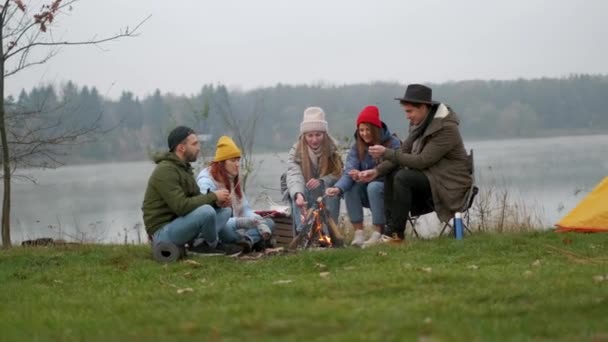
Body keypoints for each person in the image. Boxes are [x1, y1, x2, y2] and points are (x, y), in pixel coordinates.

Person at [360, 84, 472, 240]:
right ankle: (390, 229)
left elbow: (422, 161)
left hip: (449, 183)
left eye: (409, 111)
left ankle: (396, 234)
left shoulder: (446, 128)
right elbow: (403, 153)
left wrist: (386, 152)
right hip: (431, 178)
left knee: (403, 177)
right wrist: (377, 171)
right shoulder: (418, 125)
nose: (407, 116)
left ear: (424, 107)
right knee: (393, 173)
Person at [142, 126, 242, 256]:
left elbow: (197, 200)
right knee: (207, 211)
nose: (198, 147)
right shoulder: (165, 170)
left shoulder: (184, 169)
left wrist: (217, 203)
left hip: (179, 224)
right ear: (181, 148)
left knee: (225, 211)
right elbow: (181, 206)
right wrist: (213, 196)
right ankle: (209, 245)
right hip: (162, 233)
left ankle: (202, 244)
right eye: (194, 144)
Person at [325, 105, 400, 247]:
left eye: (368, 129)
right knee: (351, 187)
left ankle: (378, 232)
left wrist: (371, 173)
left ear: (375, 129)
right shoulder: (357, 147)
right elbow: (349, 171)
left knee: (373, 186)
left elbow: (395, 166)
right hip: (366, 192)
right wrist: (338, 188)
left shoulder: (392, 142)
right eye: (361, 130)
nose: (364, 133)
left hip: (388, 191)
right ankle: (359, 232)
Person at [197, 136, 275, 253]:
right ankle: (252, 241)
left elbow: (245, 210)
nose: (237, 164)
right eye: (233, 161)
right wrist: (241, 222)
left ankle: (246, 241)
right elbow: (209, 218)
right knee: (224, 229)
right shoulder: (206, 181)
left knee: (269, 222)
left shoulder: (233, 179)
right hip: (219, 227)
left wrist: (257, 219)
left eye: (238, 160)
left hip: (238, 228)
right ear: (222, 163)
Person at [285, 107, 344, 233]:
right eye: (310, 135)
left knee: (332, 194)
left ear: (324, 134)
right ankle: (303, 233)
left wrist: (322, 181)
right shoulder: (295, 152)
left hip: (326, 191)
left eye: (318, 135)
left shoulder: (333, 150)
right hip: (305, 191)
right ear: (304, 135)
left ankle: (330, 233)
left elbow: (339, 173)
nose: (314, 139)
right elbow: (293, 174)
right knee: (297, 196)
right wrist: (298, 194)